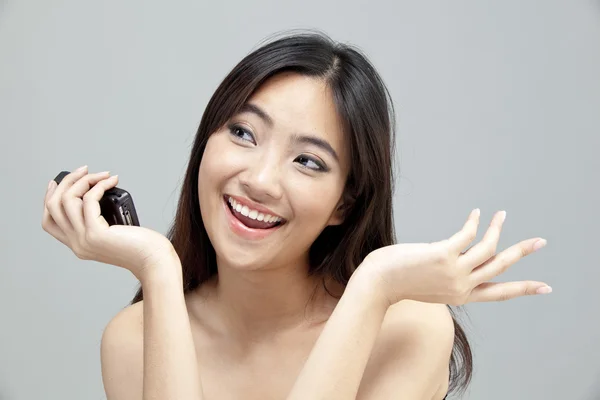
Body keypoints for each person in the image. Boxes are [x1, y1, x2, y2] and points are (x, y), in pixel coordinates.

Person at [41, 30, 550, 400]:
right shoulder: (134, 338)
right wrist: (157, 267)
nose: (261, 181)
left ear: (344, 204)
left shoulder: (408, 329)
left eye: (308, 161)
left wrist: (374, 287)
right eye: (243, 133)